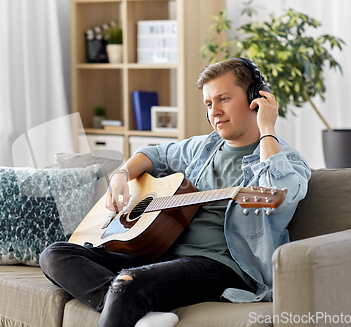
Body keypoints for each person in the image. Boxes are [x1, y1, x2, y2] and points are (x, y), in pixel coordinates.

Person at [40, 58, 311, 327]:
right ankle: (138, 309)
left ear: (257, 98)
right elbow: (154, 153)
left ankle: (130, 298)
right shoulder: (204, 148)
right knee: (55, 255)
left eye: (223, 99)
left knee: (128, 283)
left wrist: (267, 128)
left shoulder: (287, 160)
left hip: (220, 265)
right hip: (162, 253)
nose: (214, 112)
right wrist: (121, 175)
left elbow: (277, 190)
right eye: (208, 104)